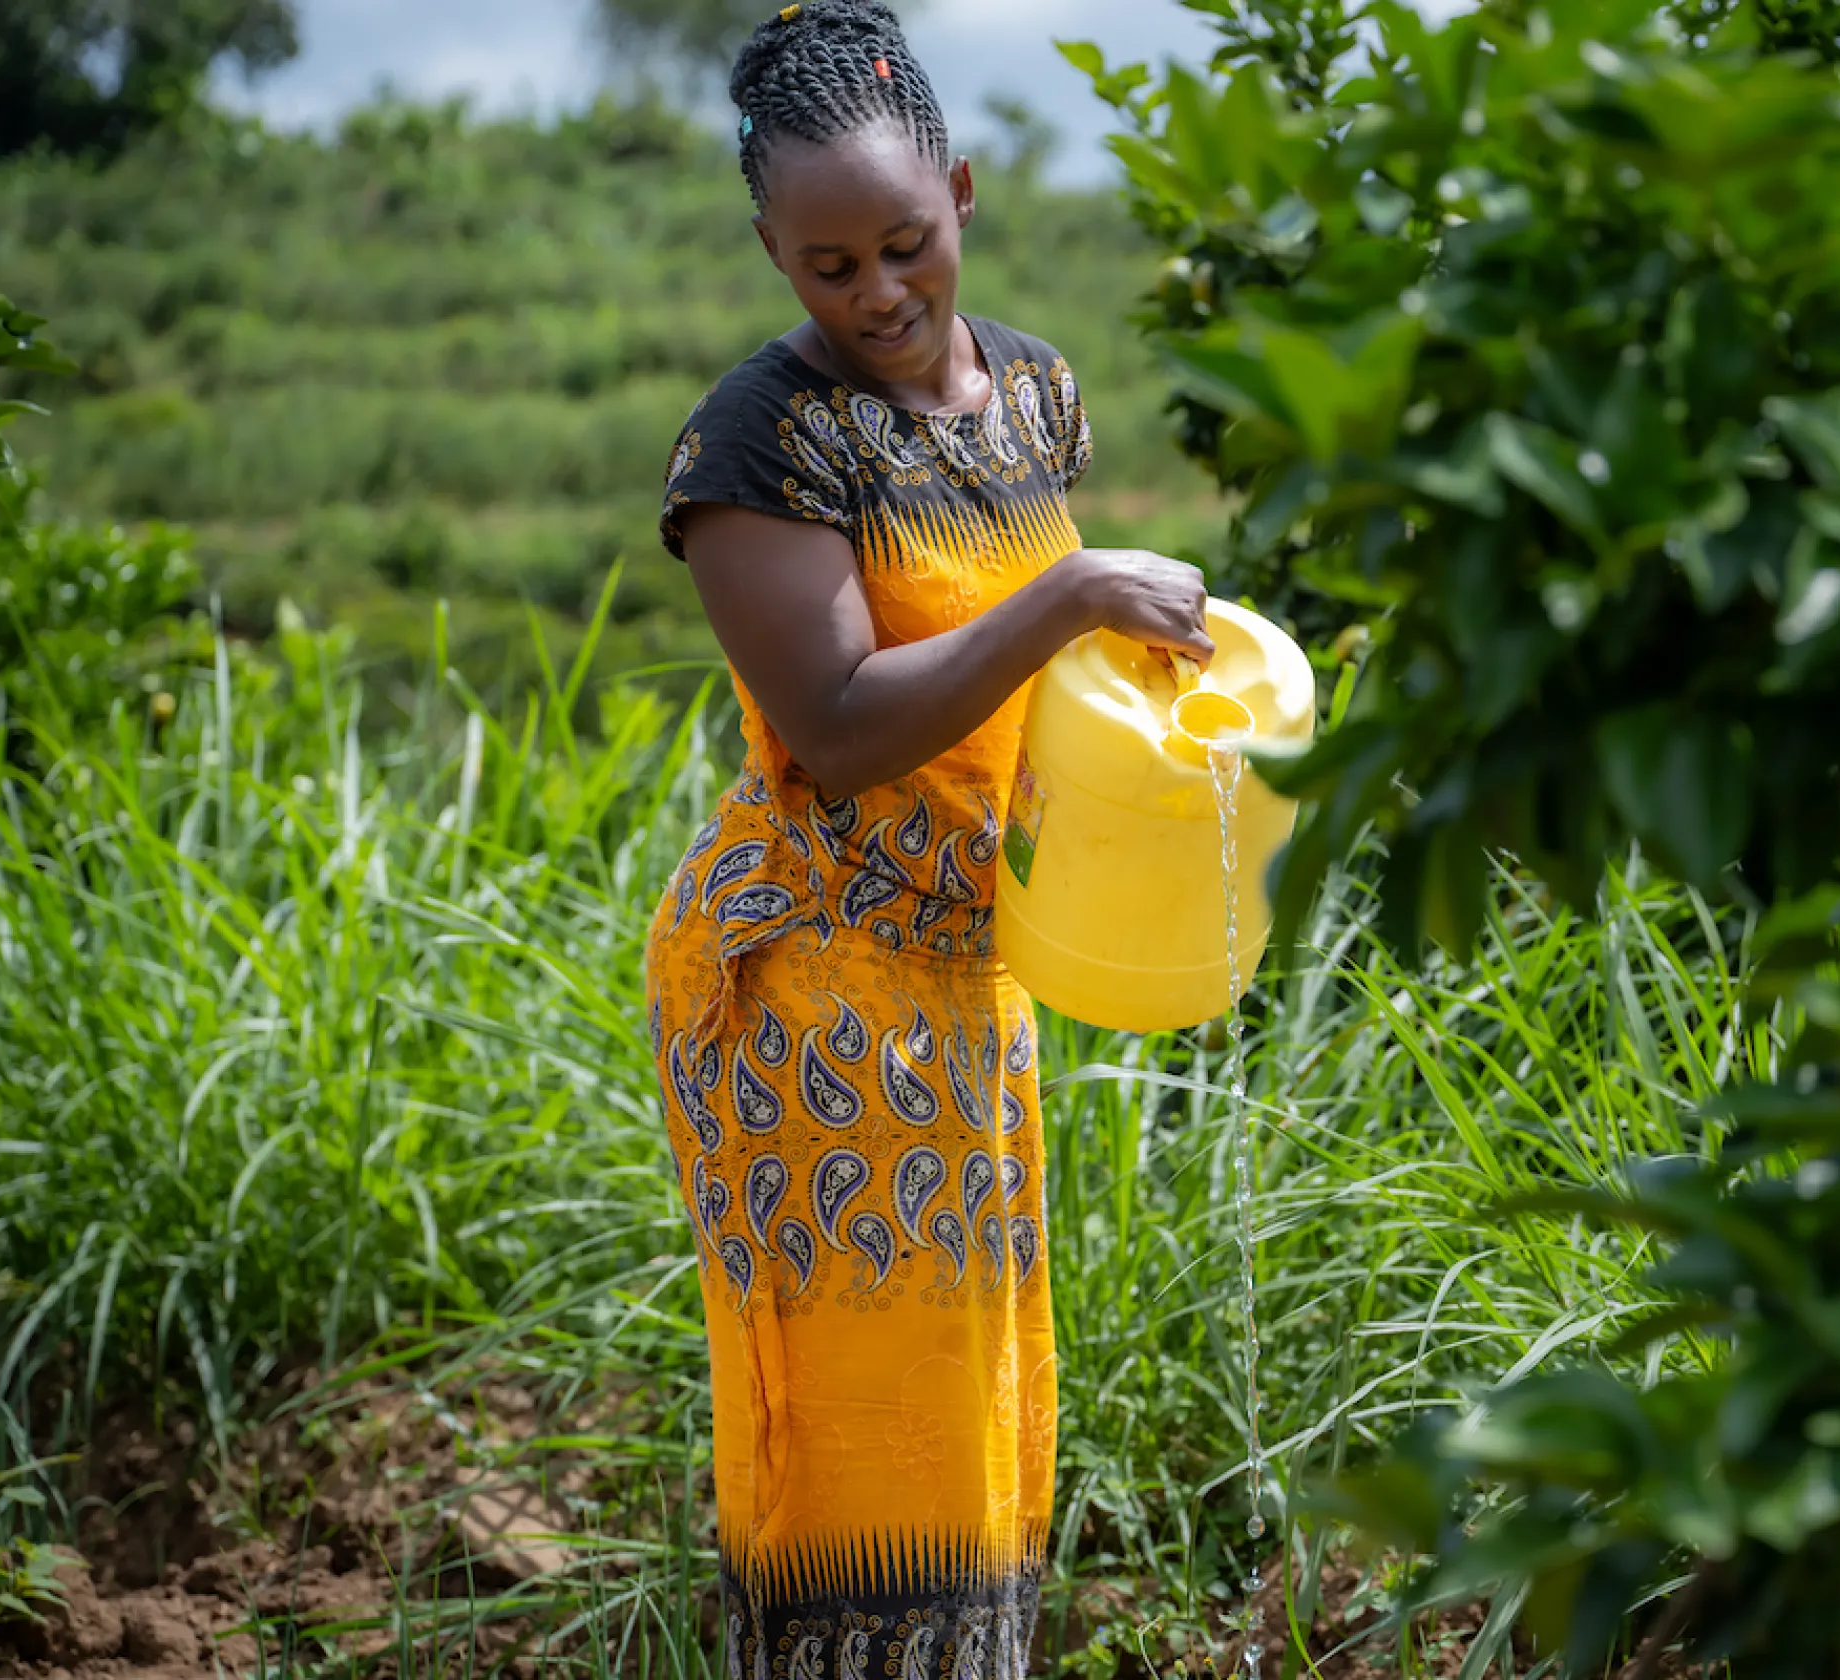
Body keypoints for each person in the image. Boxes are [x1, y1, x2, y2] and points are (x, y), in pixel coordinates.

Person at [643, 5, 1214, 1679]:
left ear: (962, 195)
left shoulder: (1035, 393)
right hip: (809, 987)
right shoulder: (758, 446)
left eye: (906, 245)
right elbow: (838, 723)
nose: (879, 292)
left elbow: (1041, 704)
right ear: (771, 253)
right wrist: (1076, 592)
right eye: (828, 267)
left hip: (976, 976)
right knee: (859, 1450)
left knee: (982, 1419)